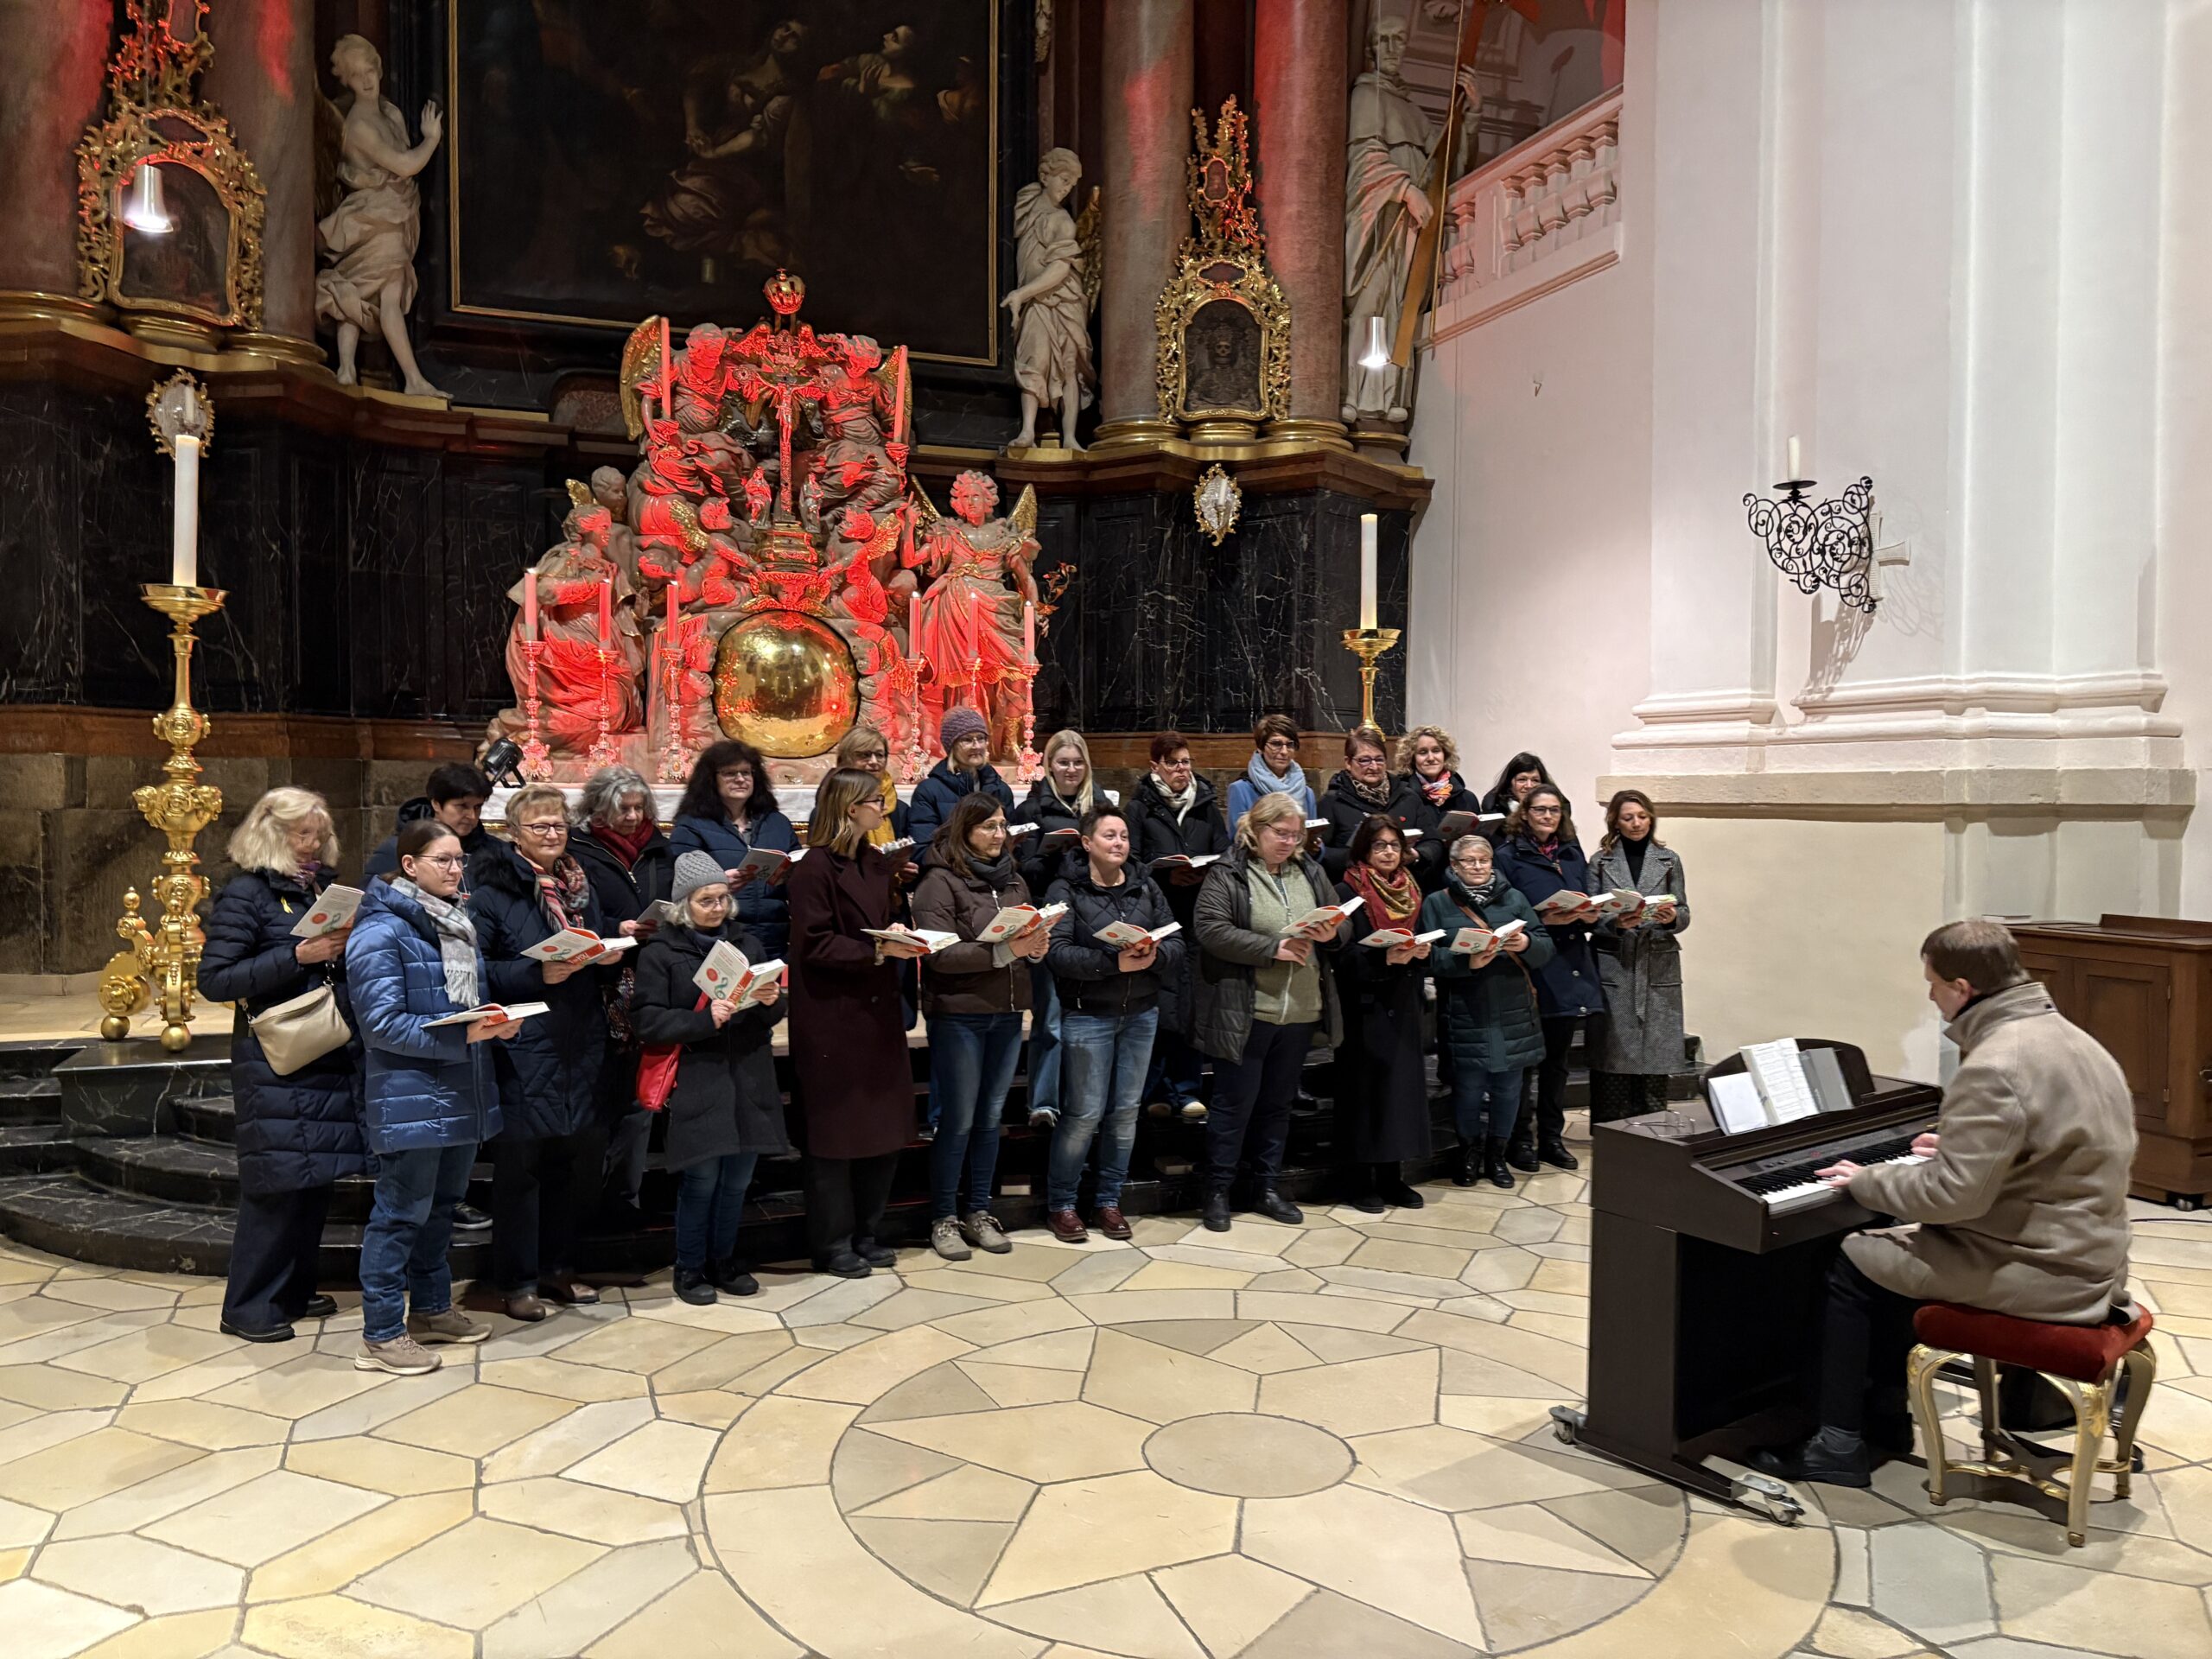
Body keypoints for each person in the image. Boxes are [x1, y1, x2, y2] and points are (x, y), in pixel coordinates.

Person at [1751, 921, 2138, 1488]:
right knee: (1894, 1248)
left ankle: (1839, 1444)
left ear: (1962, 987)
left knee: (1854, 1258)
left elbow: (1948, 1198)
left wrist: (1867, 1179)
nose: (1930, 997)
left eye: (1932, 983)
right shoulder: (2075, 1040)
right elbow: (2053, 1150)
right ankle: (1886, 1414)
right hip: (2090, 1253)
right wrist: (1960, 1148)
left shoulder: (1995, 1064)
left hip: (2040, 1268)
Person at [346, 820, 514, 1373]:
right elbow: (380, 1025)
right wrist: (464, 1036)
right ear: (409, 865)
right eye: (443, 860)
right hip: (411, 1095)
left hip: (460, 1091)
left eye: (460, 860)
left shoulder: (454, 922)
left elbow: (461, 1008)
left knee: (440, 1211)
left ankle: (432, 1309)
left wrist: (493, 1024)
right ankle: (381, 1334)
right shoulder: (379, 931)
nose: (456, 869)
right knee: (400, 1215)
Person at [198, 789, 364, 1343]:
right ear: (271, 834)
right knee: (276, 1186)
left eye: (319, 834)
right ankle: (247, 1306)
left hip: (324, 1047)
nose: (313, 844)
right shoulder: (246, 893)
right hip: (275, 1057)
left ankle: (292, 1289)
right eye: (302, 835)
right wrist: (297, 955)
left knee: (312, 1182)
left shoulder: (318, 889)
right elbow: (216, 980)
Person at [470, 783, 615, 1321]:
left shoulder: (580, 885)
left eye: (559, 824)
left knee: (569, 1166)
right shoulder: (491, 891)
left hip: (580, 1038)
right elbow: (476, 969)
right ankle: (517, 1281)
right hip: (525, 1043)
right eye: (540, 826)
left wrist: (606, 952)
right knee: (521, 1169)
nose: (553, 834)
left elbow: (594, 937)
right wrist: (536, 973)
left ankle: (559, 1269)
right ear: (514, 834)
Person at [630, 853, 793, 1304]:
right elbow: (647, 1020)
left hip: (749, 1074)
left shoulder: (748, 943)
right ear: (684, 904)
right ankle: (689, 1267)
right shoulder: (661, 952)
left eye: (723, 898)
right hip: (699, 1077)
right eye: (706, 900)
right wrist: (705, 1020)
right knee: (701, 1180)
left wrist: (770, 1000)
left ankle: (724, 1260)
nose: (718, 907)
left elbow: (775, 1009)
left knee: (738, 1180)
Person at [786, 767, 931, 1275]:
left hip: (877, 1012)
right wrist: (878, 950)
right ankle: (832, 1243)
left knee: (883, 1132)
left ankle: (868, 1232)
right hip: (834, 1016)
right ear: (851, 808)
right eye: (876, 802)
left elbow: (884, 922)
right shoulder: (813, 869)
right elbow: (814, 943)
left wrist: (900, 935)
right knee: (835, 1137)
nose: (884, 809)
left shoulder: (875, 862)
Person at [1192, 791, 1347, 1231]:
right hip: (1247, 1010)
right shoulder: (1229, 872)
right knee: (1233, 1106)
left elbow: (1342, 922)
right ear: (1255, 829)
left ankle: (1266, 1187)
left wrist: (1333, 932)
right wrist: (1271, 948)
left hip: (1300, 1009)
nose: (1289, 842)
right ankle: (1218, 1190)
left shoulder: (1310, 870)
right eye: (1281, 833)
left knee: (1278, 1106)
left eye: (1296, 835)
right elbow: (1210, 929)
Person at [911, 794, 1047, 1259]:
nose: (999, 834)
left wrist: (1035, 947)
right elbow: (940, 954)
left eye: (1002, 826)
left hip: (1006, 1012)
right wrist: (1006, 952)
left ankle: (979, 1210)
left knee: (991, 1118)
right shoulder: (938, 881)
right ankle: (943, 1217)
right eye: (989, 826)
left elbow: (1023, 937)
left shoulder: (1013, 879)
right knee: (959, 1119)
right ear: (964, 829)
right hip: (960, 1014)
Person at [1041, 803, 1183, 1242]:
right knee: (1084, 1114)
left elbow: (1177, 941)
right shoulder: (1065, 888)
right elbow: (1057, 953)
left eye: (1123, 836)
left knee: (1124, 1114)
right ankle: (1063, 1205)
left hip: (1141, 1012)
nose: (1119, 843)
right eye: (1109, 835)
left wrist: (1154, 954)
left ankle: (1108, 1200)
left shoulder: (1145, 884)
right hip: (1088, 1014)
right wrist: (1110, 963)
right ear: (1087, 843)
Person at [568, 766, 675, 1224]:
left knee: (639, 1098)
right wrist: (618, 927)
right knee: (601, 1098)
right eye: (622, 809)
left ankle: (624, 1199)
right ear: (598, 809)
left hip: (649, 980)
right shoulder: (578, 850)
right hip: (598, 985)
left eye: (638, 807)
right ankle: (586, 1202)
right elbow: (573, 915)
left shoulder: (660, 849)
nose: (633, 817)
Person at [1421, 835, 1551, 1187]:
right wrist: (1467, 962)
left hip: (1513, 1007)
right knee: (1468, 1088)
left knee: (1509, 1089)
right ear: (1454, 866)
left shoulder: (1515, 898)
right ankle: (1469, 1155)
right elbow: (1427, 956)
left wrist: (1526, 943)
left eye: (1484, 860)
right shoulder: (1437, 902)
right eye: (1469, 861)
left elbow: (1545, 947)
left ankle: (1497, 1156)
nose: (1478, 867)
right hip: (1466, 1008)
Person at [1495, 785, 1602, 1172]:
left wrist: (1591, 915)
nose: (1548, 816)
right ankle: (1520, 1139)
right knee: (1526, 1062)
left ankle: (1552, 1138)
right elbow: (1501, 911)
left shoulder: (1571, 852)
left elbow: (1586, 897)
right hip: (1531, 965)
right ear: (1524, 813)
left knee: (1557, 1063)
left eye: (1555, 810)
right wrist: (1543, 920)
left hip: (1570, 963)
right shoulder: (1507, 855)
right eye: (1540, 810)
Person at [1332, 817, 1435, 1211]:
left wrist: (1420, 952)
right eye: (1379, 845)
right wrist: (1383, 958)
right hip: (1363, 1003)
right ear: (1363, 850)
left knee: (1399, 1094)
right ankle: (1358, 1181)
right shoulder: (1347, 890)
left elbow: (1420, 936)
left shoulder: (1410, 887)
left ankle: (1393, 1178)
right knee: (1365, 1093)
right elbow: (1339, 956)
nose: (1389, 852)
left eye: (1394, 845)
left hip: (1403, 998)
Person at [1130, 732, 1231, 1121]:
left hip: (1197, 914)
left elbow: (1225, 853)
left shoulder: (1205, 805)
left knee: (1192, 1003)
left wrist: (1204, 872)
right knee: (1161, 1003)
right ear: (1154, 766)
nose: (1181, 770)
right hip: (1158, 915)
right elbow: (1132, 862)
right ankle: (1156, 1089)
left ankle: (1188, 1088)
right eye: (1172, 763)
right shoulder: (1140, 807)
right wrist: (1166, 876)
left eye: (1185, 762)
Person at [1586, 791, 1692, 1122]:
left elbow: (1684, 911)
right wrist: (1615, 923)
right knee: (1613, 1053)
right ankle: (1612, 1131)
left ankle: (1652, 1129)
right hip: (1616, 961)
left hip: (1657, 961)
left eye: (1642, 816)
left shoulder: (1669, 860)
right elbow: (1588, 914)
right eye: (1628, 817)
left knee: (1656, 1053)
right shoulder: (1600, 861)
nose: (1636, 823)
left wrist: (1671, 918)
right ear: (1615, 821)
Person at [1011, 728, 1096, 1129]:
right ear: (1049, 766)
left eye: (1078, 762)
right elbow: (1021, 872)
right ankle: (1043, 1102)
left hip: (1090, 918)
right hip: (1048, 915)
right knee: (1049, 1015)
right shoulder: (1030, 810)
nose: (1071, 769)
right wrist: (1049, 853)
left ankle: (1083, 1099)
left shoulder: (1099, 807)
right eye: (1063, 762)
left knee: (1088, 1017)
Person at [672, 739, 798, 959]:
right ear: (711, 780)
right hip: (719, 939)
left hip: (775, 936)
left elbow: (798, 869)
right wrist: (718, 882)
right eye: (730, 773)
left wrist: (792, 874)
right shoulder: (692, 825)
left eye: (746, 772)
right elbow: (677, 883)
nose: (740, 779)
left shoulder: (777, 823)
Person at [1314, 724, 1423, 880]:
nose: (1374, 766)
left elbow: (1432, 841)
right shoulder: (1332, 801)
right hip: (1353, 884)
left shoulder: (1407, 796)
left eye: (1379, 760)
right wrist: (1362, 854)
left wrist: (1418, 854)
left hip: (1406, 882)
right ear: (1348, 762)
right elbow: (1320, 852)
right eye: (1364, 760)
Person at [906, 705, 1015, 852]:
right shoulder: (929, 791)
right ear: (952, 745)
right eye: (967, 740)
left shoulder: (1000, 789)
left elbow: (1009, 842)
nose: (976, 746)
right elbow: (923, 849)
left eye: (981, 738)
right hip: (949, 865)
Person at [364, 762, 491, 880]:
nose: (472, 816)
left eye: (477, 807)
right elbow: (374, 894)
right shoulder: (395, 850)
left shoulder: (495, 852)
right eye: (462, 806)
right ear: (436, 804)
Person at [1395, 725, 1482, 893]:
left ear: (1445, 755)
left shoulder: (1466, 797)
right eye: (1422, 752)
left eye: (1436, 751)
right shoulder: (1402, 797)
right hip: (1420, 881)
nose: (1431, 758)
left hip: (1462, 881)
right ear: (1411, 758)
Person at [1226, 714, 1317, 828]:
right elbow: (1238, 836)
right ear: (1260, 747)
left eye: (1290, 745)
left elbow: (1312, 834)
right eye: (1276, 744)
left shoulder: (1307, 793)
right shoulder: (1241, 790)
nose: (1284, 752)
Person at [835, 723, 907, 845]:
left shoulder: (900, 810)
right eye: (865, 755)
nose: (874, 761)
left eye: (879, 755)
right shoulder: (831, 807)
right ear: (845, 759)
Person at [1480, 752, 1556, 822]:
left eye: (1535, 780)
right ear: (1509, 783)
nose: (1529, 786)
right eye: (1522, 780)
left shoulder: (1555, 812)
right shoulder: (1494, 812)